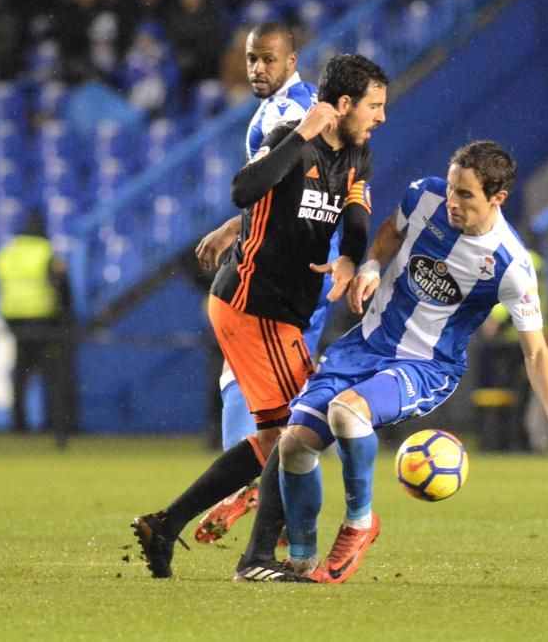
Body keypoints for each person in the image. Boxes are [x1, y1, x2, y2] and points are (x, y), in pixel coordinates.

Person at [233, 141, 548, 583]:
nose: (452, 201)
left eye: (466, 195)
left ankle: (359, 523)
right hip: (364, 344)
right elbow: (390, 231)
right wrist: (371, 266)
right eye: (453, 187)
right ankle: (301, 558)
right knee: (294, 443)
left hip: (426, 365)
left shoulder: (510, 265)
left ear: (497, 197)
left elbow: (535, 350)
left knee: (348, 412)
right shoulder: (426, 195)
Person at [131, 52, 389, 578]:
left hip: (283, 312)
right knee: (299, 431)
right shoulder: (293, 139)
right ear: (343, 105)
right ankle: (255, 558)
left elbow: (358, 216)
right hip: (253, 304)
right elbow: (242, 190)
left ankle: (168, 523)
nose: (381, 116)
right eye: (375, 106)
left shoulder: (357, 155)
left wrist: (348, 257)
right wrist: (298, 137)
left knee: (284, 435)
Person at [188, 20, 331, 547]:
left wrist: (235, 227)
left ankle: (292, 530)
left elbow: (299, 198)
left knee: (296, 414)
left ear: (292, 61)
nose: (257, 68)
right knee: (243, 386)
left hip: (291, 275)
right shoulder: (275, 111)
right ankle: (258, 499)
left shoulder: (298, 113)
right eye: (252, 59)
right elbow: (275, 193)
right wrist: (234, 228)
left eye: (268, 59)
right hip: (273, 268)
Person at [0, 212, 78, 447]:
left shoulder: (7, 254)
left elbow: (2, 286)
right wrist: (67, 318)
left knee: (20, 376)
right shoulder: (45, 252)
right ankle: (61, 433)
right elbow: (61, 286)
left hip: (16, 323)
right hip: (45, 324)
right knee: (55, 378)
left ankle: (19, 429)